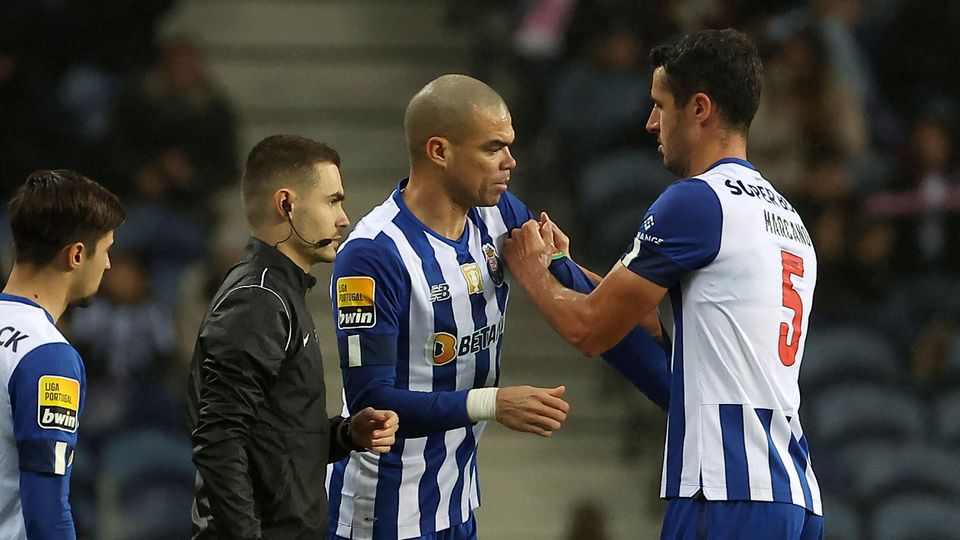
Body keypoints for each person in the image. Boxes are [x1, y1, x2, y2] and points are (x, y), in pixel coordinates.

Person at [503, 29, 824, 539]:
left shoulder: (696, 202)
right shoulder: (785, 217)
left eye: (659, 105)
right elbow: (665, 343)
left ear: (699, 108)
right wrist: (563, 265)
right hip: (792, 493)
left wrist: (532, 273)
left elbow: (590, 328)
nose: (651, 122)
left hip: (724, 492)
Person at [326, 74, 670, 540]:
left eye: (509, 145)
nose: (511, 161)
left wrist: (679, 397)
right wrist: (493, 403)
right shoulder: (373, 254)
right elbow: (371, 403)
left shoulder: (500, 214)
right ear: (439, 152)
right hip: (382, 511)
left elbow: (593, 306)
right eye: (493, 149)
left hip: (457, 502)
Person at [186, 135, 400, 539]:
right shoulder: (258, 300)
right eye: (332, 200)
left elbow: (271, 439)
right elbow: (219, 439)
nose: (344, 218)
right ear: (286, 204)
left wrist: (344, 434)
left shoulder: (278, 293)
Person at [0, 169, 124, 538]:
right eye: (106, 250)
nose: (108, 265)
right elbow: (47, 507)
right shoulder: (48, 356)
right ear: (77, 254)